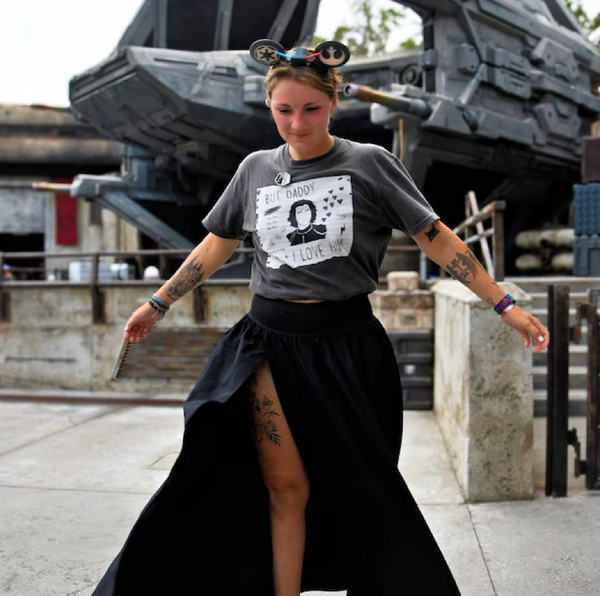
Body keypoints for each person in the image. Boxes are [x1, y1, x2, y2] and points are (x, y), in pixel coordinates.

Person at [91, 39, 550, 596]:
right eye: (283, 110)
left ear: (333, 103)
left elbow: (435, 236)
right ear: (269, 107)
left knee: (363, 491)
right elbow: (217, 243)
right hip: (268, 345)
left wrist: (503, 304)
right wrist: (158, 302)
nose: (296, 123)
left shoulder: (370, 164)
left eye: (309, 109)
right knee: (286, 489)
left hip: (348, 349)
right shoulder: (255, 169)